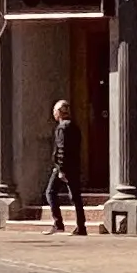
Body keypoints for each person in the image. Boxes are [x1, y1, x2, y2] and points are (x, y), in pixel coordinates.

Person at [45, 95, 90, 235]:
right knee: (76, 196)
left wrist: (61, 169)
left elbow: (61, 149)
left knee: (50, 192)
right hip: (74, 165)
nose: (53, 114)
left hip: (63, 168)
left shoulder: (62, 128)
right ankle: (81, 227)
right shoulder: (75, 127)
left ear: (59, 112)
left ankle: (58, 223)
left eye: (55, 111)